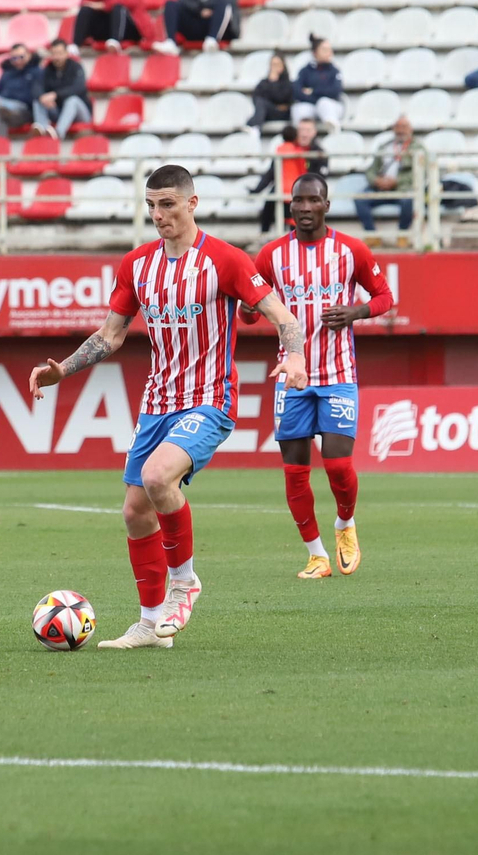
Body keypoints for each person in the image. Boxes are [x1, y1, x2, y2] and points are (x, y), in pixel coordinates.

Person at [29, 165, 309, 650]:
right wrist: (64, 370)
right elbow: (110, 334)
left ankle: (186, 582)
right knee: (136, 511)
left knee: (160, 478)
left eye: (168, 204)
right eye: (152, 205)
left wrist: (296, 356)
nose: (159, 215)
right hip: (157, 403)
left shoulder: (225, 260)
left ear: (191, 203)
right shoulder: (137, 265)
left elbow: (284, 316)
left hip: (209, 399)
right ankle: (149, 625)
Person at [249, 173, 395, 579]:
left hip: (338, 373)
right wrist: (247, 310)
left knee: (337, 466)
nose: (306, 207)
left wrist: (355, 312)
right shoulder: (272, 255)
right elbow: (249, 302)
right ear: (291, 205)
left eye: (314, 200)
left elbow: (385, 297)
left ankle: (345, 524)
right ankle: (316, 555)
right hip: (291, 377)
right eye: (299, 200)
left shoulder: (351, 251)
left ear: (326, 206)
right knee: (295, 472)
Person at [253, 118, 326, 233]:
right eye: (301, 130)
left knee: (299, 209)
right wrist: (257, 189)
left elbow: (319, 178)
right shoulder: (290, 149)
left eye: (308, 130)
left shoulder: (318, 152)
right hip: (287, 188)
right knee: (271, 201)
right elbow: (272, 172)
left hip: (305, 191)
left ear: (314, 132)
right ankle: (264, 235)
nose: (304, 134)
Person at [355, 116, 422, 240]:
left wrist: (397, 181)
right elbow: (371, 169)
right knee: (360, 199)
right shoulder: (384, 146)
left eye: (404, 127)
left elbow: (421, 173)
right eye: (397, 127)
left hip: (402, 189)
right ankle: (371, 235)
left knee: (409, 200)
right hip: (381, 187)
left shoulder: (418, 148)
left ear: (410, 129)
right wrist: (376, 180)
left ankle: (403, 235)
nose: (400, 130)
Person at [0, 43, 41, 136]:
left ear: (28, 55)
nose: (18, 61)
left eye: (21, 57)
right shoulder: (7, 73)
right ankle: (2, 106)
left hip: (23, 109)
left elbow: (36, 96)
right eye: (14, 58)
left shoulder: (36, 71)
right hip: (3, 105)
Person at [34, 38, 92, 139]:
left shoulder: (76, 67)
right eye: (54, 53)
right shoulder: (47, 69)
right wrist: (43, 97)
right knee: (38, 100)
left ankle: (59, 133)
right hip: (58, 110)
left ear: (66, 53)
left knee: (72, 100)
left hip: (79, 113)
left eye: (60, 53)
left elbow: (78, 88)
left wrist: (55, 95)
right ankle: (41, 130)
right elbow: (36, 86)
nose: (57, 57)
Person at [291, 36, 343, 131]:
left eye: (329, 49)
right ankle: (301, 137)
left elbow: (335, 91)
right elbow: (297, 91)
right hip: (310, 105)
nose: (329, 52)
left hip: (330, 106)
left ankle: (333, 130)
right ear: (315, 52)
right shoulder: (305, 71)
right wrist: (317, 96)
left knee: (324, 103)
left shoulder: (334, 71)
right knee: (300, 108)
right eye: (324, 49)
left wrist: (313, 91)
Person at [248, 53, 294, 131]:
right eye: (273, 64)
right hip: (267, 112)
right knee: (250, 120)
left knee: (260, 106)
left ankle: (255, 130)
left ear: (283, 65)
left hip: (282, 114)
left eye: (277, 64)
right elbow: (256, 98)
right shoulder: (264, 82)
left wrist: (273, 82)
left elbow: (281, 97)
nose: (275, 67)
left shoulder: (288, 83)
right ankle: (253, 131)